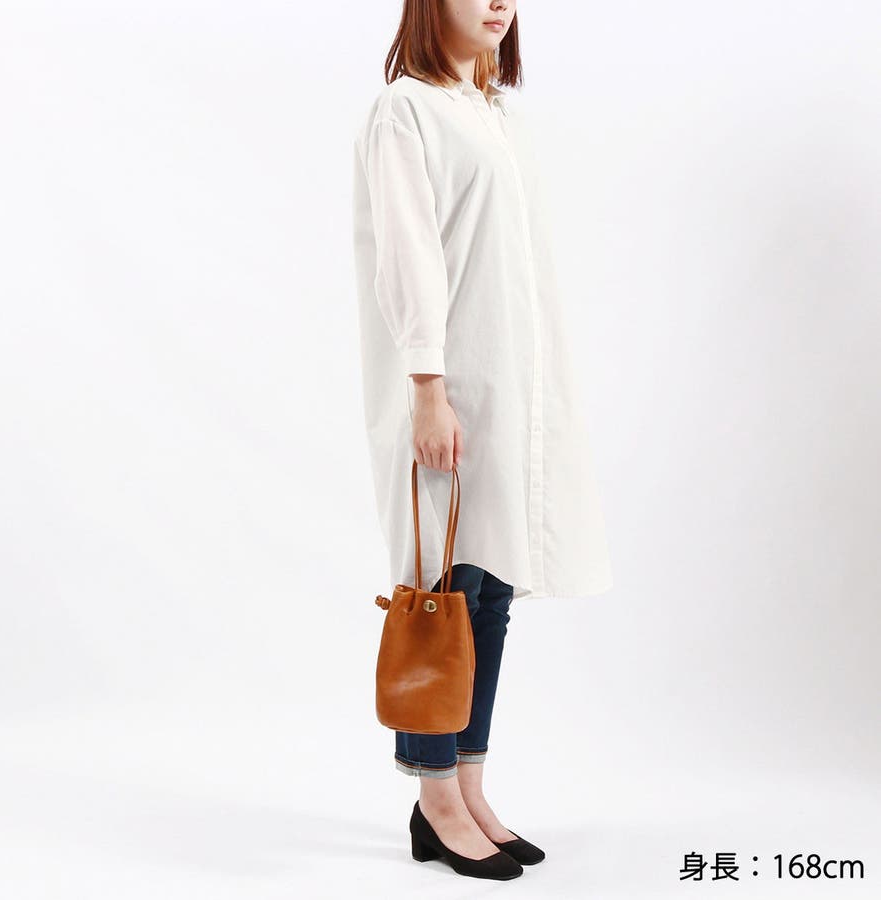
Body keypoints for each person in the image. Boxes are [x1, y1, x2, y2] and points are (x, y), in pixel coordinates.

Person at [351, 0, 613, 881]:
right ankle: (433, 802)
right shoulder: (407, 109)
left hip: (510, 390)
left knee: (489, 589)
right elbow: (407, 255)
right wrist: (429, 389)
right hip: (450, 387)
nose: (498, 3)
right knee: (442, 592)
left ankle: (469, 786)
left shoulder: (497, 115)